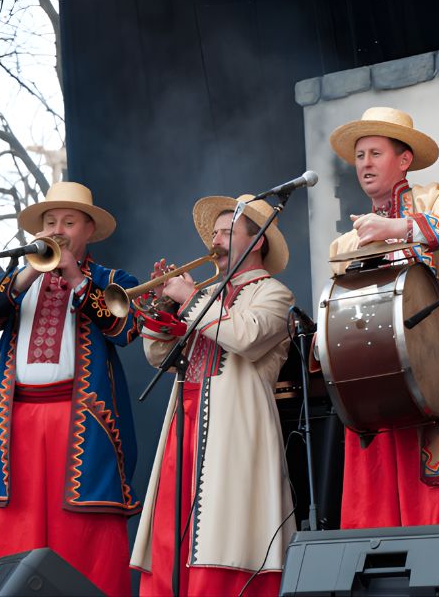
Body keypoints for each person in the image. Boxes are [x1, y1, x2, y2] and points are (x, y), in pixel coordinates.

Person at [0, 181, 141, 595]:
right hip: (15, 426)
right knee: (12, 534)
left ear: (89, 230)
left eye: (68, 221)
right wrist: (28, 271)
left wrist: (77, 278)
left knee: (83, 537)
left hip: (82, 425)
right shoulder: (18, 278)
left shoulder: (111, 279)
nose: (57, 229)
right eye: (50, 222)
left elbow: (125, 330)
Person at [327, 106, 439, 529]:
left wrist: (399, 228)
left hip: (435, 380)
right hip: (374, 392)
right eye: (359, 155)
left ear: (403, 160)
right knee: (376, 521)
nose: (364, 163)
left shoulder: (431, 200)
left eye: (375, 153)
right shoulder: (346, 242)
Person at [130, 195, 296, 596]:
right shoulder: (207, 294)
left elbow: (246, 338)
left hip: (236, 427)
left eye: (226, 232)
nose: (215, 241)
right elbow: (159, 358)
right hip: (184, 425)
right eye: (215, 233)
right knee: (173, 534)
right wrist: (161, 311)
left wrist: (189, 300)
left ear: (256, 243)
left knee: (229, 530)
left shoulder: (275, 293)